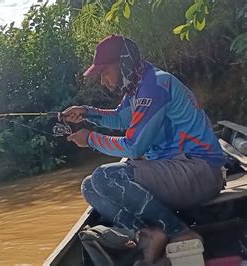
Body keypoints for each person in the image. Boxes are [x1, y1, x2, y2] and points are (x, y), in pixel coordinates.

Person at [62, 35, 226, 264]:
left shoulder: (154, 87)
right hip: (177, 170)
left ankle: (179, 232)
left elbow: (133, 145)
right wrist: (87, 112)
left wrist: (90, 138)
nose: (102, 81)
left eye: (105, 72)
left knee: (105, 176)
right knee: (89, 187)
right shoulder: (137, 87)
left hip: (199, 171)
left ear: (124, 63)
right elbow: (121, 119)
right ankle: (149, 234)